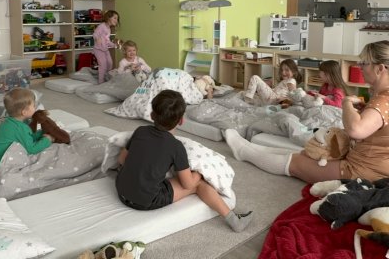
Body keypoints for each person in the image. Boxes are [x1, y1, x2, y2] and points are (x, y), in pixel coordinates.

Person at [225, 40, 389, 184]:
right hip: (368, 163)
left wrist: (346, 103)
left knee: (296, 163)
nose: (360, 67)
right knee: (301, 154)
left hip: (360, 170)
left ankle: (243, 151)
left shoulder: (383, 100)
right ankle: (249, 146)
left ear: (380, 68)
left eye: (364, 63)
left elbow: (356, 130)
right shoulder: (382, 97)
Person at [115, 89, 253, 232]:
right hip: (144, 201)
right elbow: (188, 184)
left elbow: (121, 159)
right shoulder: (176, 147)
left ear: (152, 115)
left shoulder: (140, 131)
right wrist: (199, 174)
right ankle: (234, 220)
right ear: (181, 120)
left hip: (121, 190)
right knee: (198, 184)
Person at [0, 88, 54, 170]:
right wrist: (47, 140)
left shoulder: (9, 121)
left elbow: (28, 137)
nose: (35, 108)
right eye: (33, 106)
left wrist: (42, 132)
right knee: (42, 160)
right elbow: (31, 149)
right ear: (24, 112)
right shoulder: (19, 128)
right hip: (1, 163)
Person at [93, 10, 121, 83]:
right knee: (103, 65)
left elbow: (107, 41)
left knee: (110, 63)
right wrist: (97, 38)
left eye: (117, 19)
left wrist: (115, 45)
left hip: (105, 49)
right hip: (98, 50)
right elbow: (95, 34)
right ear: (108, 18)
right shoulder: (102, 26)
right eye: (115, 18)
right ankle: (101, 82)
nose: (116, 20)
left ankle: (106, 76)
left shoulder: (109, 29)